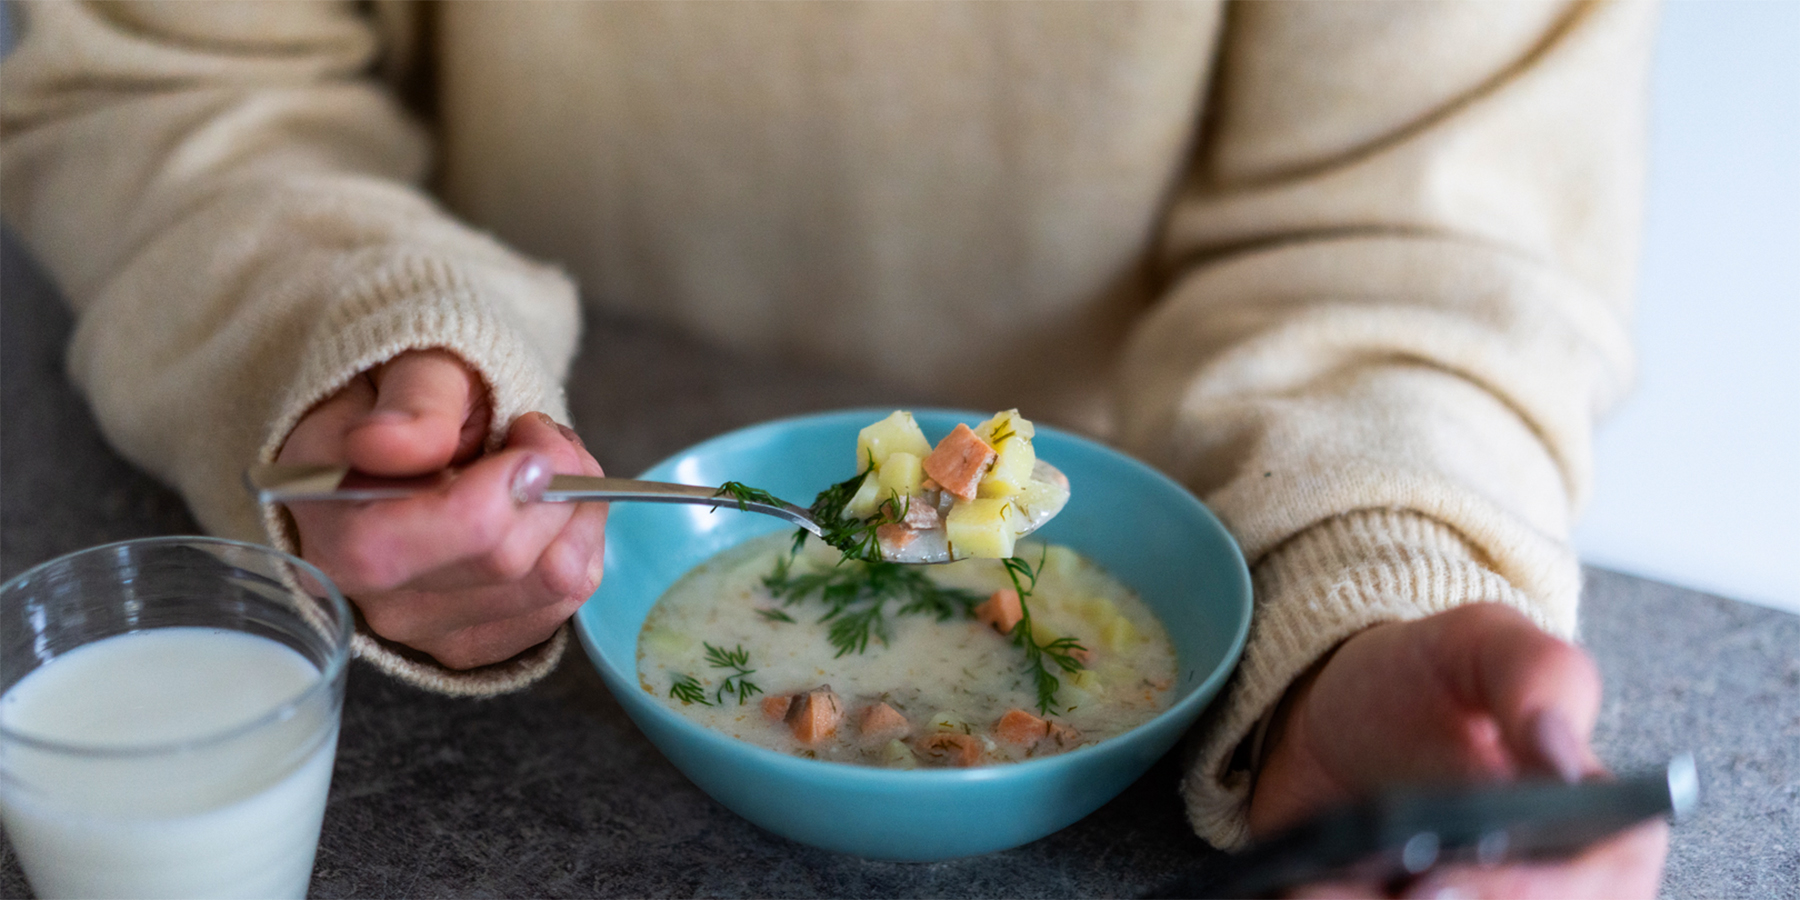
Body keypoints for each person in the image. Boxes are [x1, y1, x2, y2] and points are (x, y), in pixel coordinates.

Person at [1, 1, 1668, 894]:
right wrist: (353, 341)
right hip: (544, 497)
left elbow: (1429, 239)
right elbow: (172, 75)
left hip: (1196, 529)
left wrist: (1354, 605)